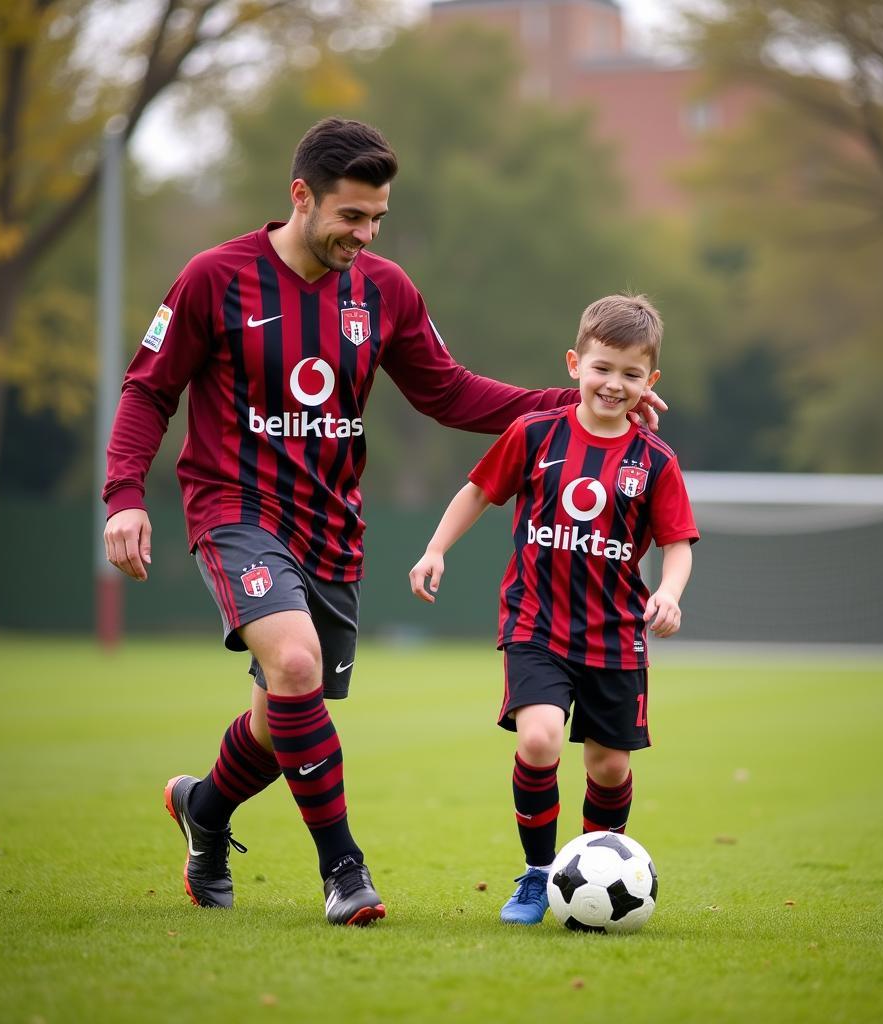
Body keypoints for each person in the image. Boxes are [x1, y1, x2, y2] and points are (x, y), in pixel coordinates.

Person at [102, 118, 664, 928]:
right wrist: (124, 494)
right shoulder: (214, 278)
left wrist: (580, 403)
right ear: (302, 196)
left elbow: (448, 391)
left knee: (277, 717)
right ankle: (344, 872)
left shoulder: (383, 290)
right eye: (351, 217)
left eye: (377, 220)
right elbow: (148, 388)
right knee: (294, 665)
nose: (364, 236)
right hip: (235, 509)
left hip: (331, 527)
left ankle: (205, 807)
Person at [408, 293, 698, 925]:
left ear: (650, 382)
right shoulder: (534, 433)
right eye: (602, 368)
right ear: (575, 364)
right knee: (539, 739)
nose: (613, 384)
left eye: (630, 374)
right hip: (536, 624)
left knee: (608, 764)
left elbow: (677, 546)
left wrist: (669, 593)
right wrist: (434, 550)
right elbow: (478, 492)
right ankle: (540, 875)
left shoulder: (655, 462)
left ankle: (590, 868)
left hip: (616, 637)